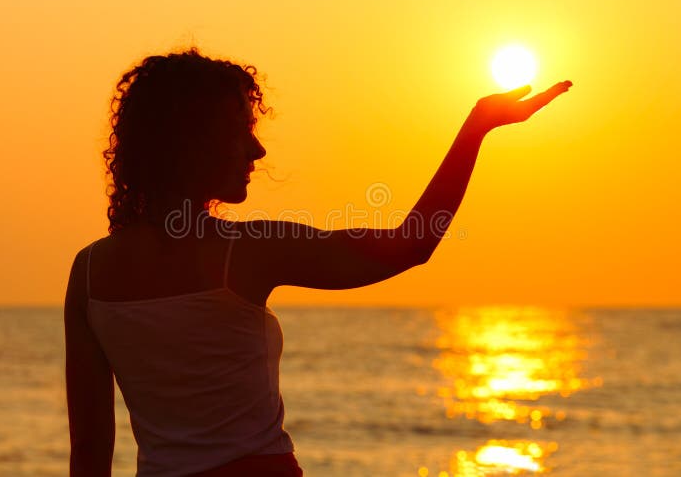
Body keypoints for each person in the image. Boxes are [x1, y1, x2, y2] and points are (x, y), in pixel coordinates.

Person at [64, 47, 572, 477]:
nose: (256, 150)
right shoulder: (246, 252)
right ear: (194, 142)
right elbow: (411, 244)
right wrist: (476, 129)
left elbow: (89, 456)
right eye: (241, 131)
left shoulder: (88, 273)